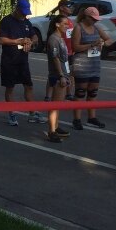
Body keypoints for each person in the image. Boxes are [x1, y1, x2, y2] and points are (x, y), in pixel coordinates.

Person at [0, 0, 43, 126]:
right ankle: (12, 114)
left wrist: (30, 41)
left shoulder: (27, 22)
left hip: (23, 60)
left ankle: (32, 113)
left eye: (26, 13)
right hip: (9, 60)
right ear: (17, 9)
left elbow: (34, 36)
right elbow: (1, 40)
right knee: (10, 88)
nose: (24, 15)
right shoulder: (6, 21)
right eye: (23, 12)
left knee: (29, 86)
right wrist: (17, 41)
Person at [70, 6, 111, 130]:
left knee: (93, 92)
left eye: (96, 19)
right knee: (80, 92)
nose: (95, 21)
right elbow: (75, 47)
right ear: (86, 16)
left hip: (94, 64)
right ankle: (76, 119)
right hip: (82, 64)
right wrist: (91, 44)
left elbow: (109, 40)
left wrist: (103, 43)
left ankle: (92, 118)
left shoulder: (97, 28)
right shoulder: (78, 28)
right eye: (93, 19)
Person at [44, 15, 71, 143]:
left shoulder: (60, 38)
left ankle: (56, 126)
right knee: (55, 105)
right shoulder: (53, 39)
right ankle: (51, 131)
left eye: (67, 24)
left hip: (64, 74)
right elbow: (55, 59)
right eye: (65, 24)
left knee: (58, 104)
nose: (67, 26)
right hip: (57, 75)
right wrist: (61, 76)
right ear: (57, 25)